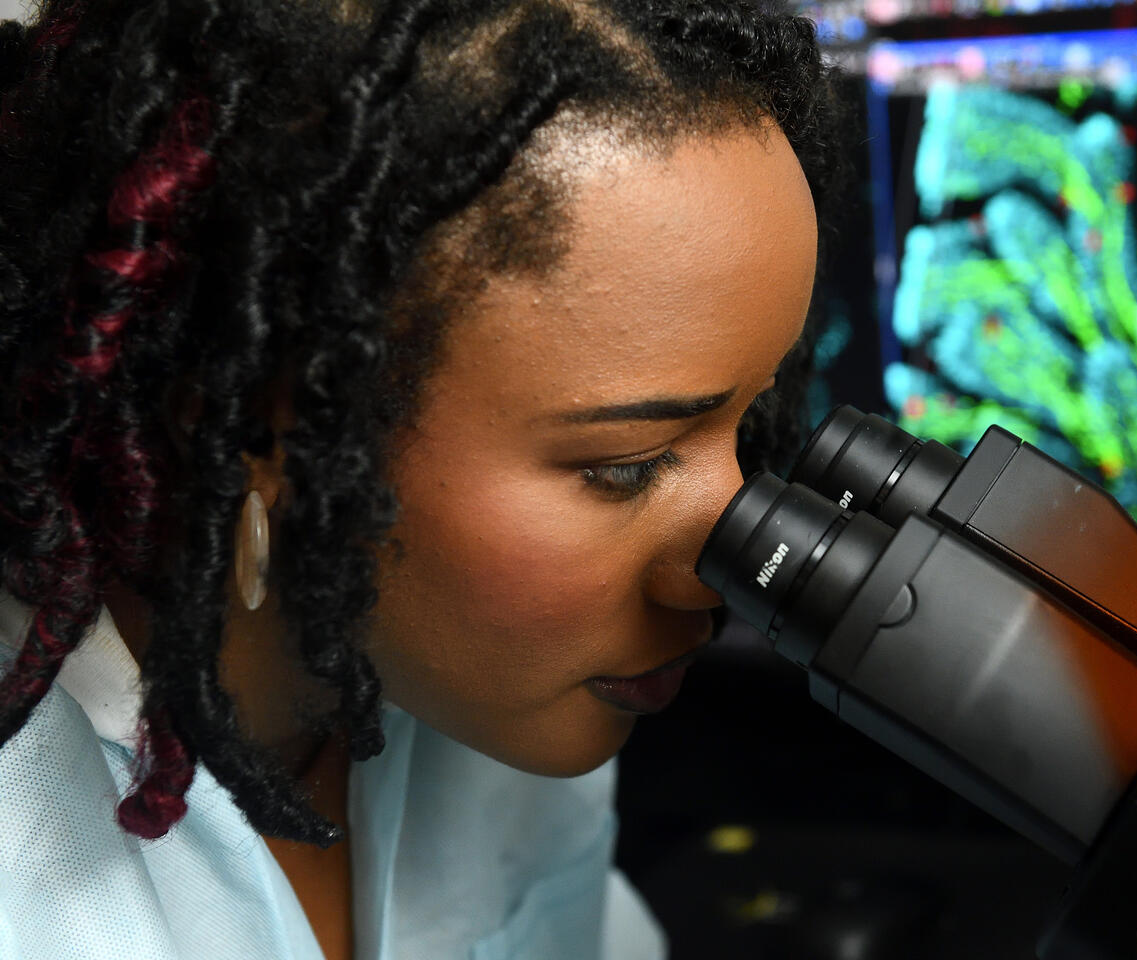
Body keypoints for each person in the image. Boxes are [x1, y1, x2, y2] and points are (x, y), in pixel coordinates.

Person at [0, 0, 841, 957]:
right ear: (248, 428)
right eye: (625, 467)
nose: (729, 563)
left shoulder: (499, 695)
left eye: (755, 419)